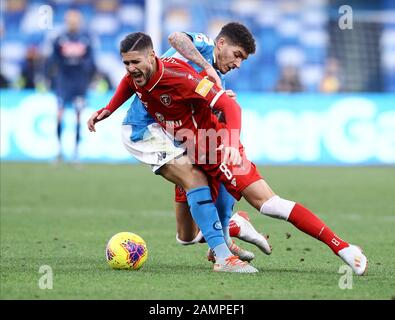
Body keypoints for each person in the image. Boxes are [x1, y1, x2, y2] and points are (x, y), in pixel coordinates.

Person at [87, 32, 368, 276]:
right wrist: (108, 110)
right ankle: (226, 241)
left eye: (136, 62)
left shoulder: (182, 78)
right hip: (173, 141)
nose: (131, 68)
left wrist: (231, 143)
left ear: (151, 57)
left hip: (215, 146)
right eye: (127, 63)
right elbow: (161, 52)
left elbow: (232, 108)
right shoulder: (183, 59)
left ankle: (340, 247)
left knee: (265, 205)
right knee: (190, 213)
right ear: (220, 45)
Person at [120, 23, 271, 263]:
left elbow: (203, 102)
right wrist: (204, 67)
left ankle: (223, 252)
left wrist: (217, 101)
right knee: (187, 237)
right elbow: (174, 36)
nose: (238, 64)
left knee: (201, 178)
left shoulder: (218, 77)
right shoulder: (202, 46)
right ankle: (232, 227)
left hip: (181, 137)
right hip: (154, 130)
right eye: (237, 55)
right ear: (220, 44)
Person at [47, 9, 96, 162]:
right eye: (70, 20)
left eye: (75, 20)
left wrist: (90, 78)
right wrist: (49, 78)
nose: (73, 23)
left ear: (79, 22)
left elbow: (92, 61)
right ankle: (59, 150)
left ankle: (76, 151)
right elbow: (52, 60)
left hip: (79, 82)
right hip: (64, 82)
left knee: (78, 116)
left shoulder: (86, 38)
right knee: (60, 115)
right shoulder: (59, 38)